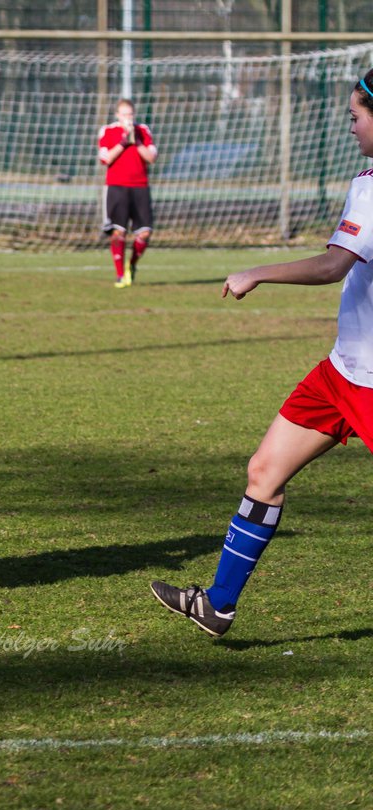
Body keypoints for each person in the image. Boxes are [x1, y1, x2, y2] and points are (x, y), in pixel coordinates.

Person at [151, 71, 373, 638]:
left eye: (356, 117)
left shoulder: (371, 189)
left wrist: (257, 272)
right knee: (264, 471)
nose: (350, 127)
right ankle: (218, 604)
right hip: (341, 372)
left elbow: (331, 267)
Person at [98, 98, 157, 288]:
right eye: (124, 115)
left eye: (130, 114)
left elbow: (151, 157)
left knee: (145, 233)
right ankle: (120, 274)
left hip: (140, 187)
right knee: (118, 232)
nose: (128, 118)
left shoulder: (143, 130)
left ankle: (131, 265)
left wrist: (136, 141)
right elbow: (106, 158)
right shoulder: (108, 131)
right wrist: (123, 142)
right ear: (117, 115)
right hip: (117, 187)